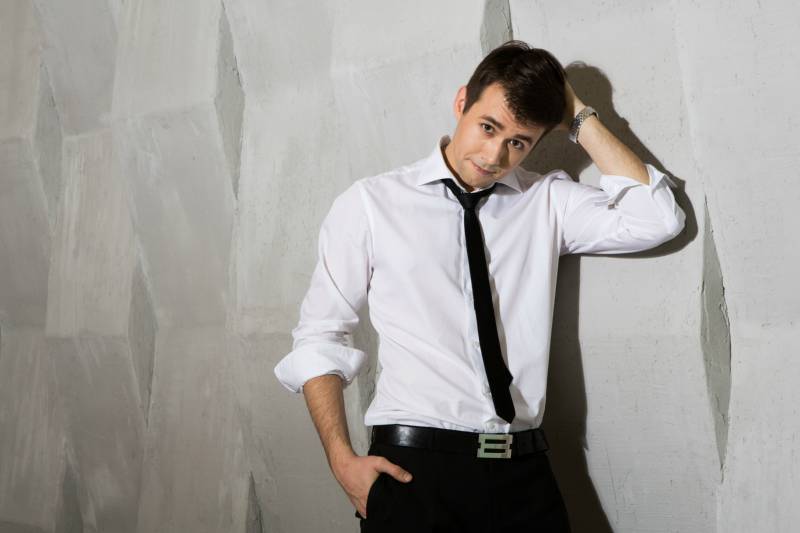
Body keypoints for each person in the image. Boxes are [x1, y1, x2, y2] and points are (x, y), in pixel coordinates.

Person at [274, 40, 685, 532]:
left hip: (523, 474)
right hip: (415, 474)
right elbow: (321, 334)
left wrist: (575, 113)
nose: (494, 155)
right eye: (488, 127)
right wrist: (341, 461)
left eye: (519, 142)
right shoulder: (371, 204)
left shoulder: (546, 200)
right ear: (461, 101)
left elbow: (657, 219)